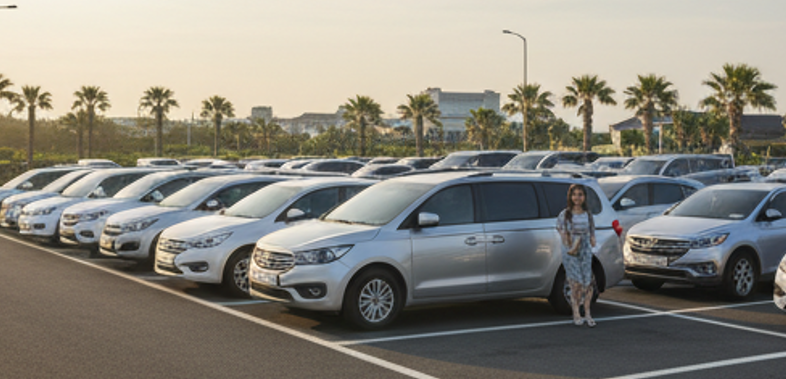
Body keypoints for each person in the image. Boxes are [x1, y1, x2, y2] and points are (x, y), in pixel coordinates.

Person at [556, 184, 597, 328]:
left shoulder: (587, 214)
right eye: (574, 195)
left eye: (580, 194)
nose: (577, 198)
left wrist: (592, 239)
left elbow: (592, 231)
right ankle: (576, 312)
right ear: (570, 197)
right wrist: (568, 241)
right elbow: (560, 229)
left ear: (584, 197)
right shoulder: (565, 214)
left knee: (587, 282)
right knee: (576, 283)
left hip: (585, 248)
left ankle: (587, 313)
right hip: (571, 249)